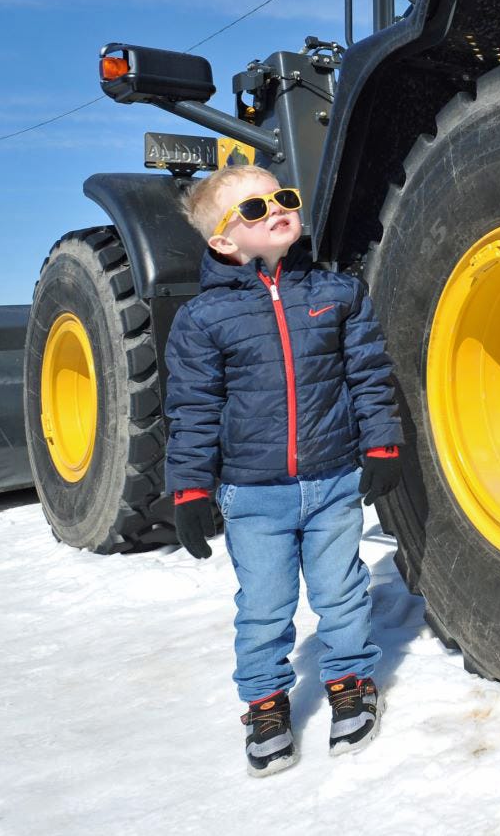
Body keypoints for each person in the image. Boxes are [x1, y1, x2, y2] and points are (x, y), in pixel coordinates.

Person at [163, 164, 405, 776]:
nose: (275, 209)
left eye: (283, 197)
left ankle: (350, 681)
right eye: (253, 209)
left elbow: (369, 378)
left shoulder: (336, 294)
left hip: (331, 482)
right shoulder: (203, 321)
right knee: (265, 607)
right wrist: (190, 488)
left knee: (341, 591)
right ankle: (265, 703)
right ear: (222, 241)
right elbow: (192, 410)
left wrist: (380, 447)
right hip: (253, 496)